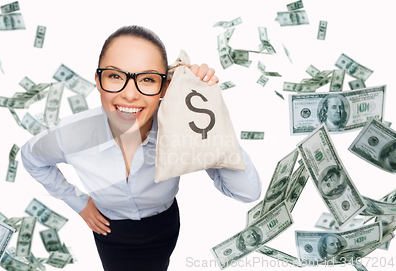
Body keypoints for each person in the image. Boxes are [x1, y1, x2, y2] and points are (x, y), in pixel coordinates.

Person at [21, 25, 262, 271]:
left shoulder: (182, 127)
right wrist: (78, 202)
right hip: (108, 229)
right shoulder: (69, 135)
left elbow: (247, 192)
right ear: (98, 80)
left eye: (147, 79)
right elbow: (31, 158)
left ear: (164, 87)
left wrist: (207, 109)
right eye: (115, 76)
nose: (129, 95)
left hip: (162, 227)